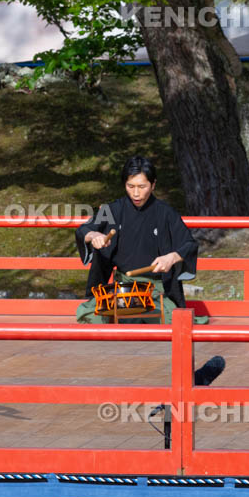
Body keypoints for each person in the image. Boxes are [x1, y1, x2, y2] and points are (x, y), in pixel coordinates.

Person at [75, 156, 224, 385]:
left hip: (155, 290)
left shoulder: (165, 213)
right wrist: (93, 236)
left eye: (142, 186)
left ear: (153, 185)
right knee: (89, 313)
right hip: (124, 287)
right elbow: (86, 227)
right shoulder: (112, 209)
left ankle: (184, 379)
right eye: (131, 186)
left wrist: (172, 257)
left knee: (175, 325)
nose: (136, 193)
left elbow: (189, 244)